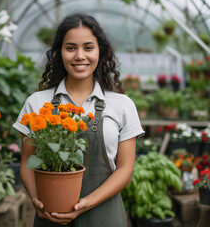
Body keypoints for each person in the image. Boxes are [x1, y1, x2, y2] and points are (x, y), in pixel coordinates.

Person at [13, 13, 144, 227]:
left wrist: (87, 203)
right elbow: (28, 163)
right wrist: (37, 200)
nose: (79, 56)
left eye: (88, 47)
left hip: (105, 215)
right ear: (60, 52)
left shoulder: (122, 105)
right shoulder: (37, 103)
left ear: (100, 52)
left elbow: (125, 169)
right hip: (51, 214)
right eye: (71, 47)